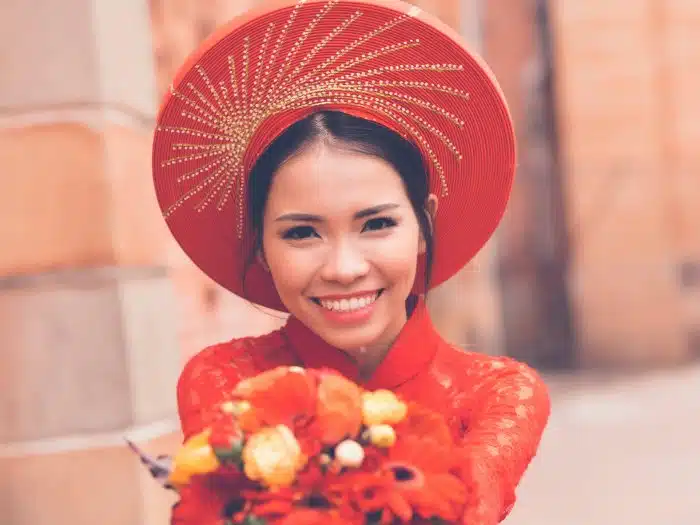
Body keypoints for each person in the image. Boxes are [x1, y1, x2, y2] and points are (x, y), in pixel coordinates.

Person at [151, 1, 551, 524]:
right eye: (301, 233)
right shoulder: (223, 380)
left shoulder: (498, 394)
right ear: (261, 248)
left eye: (377, 224)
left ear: (424, 225)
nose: (343, 268)